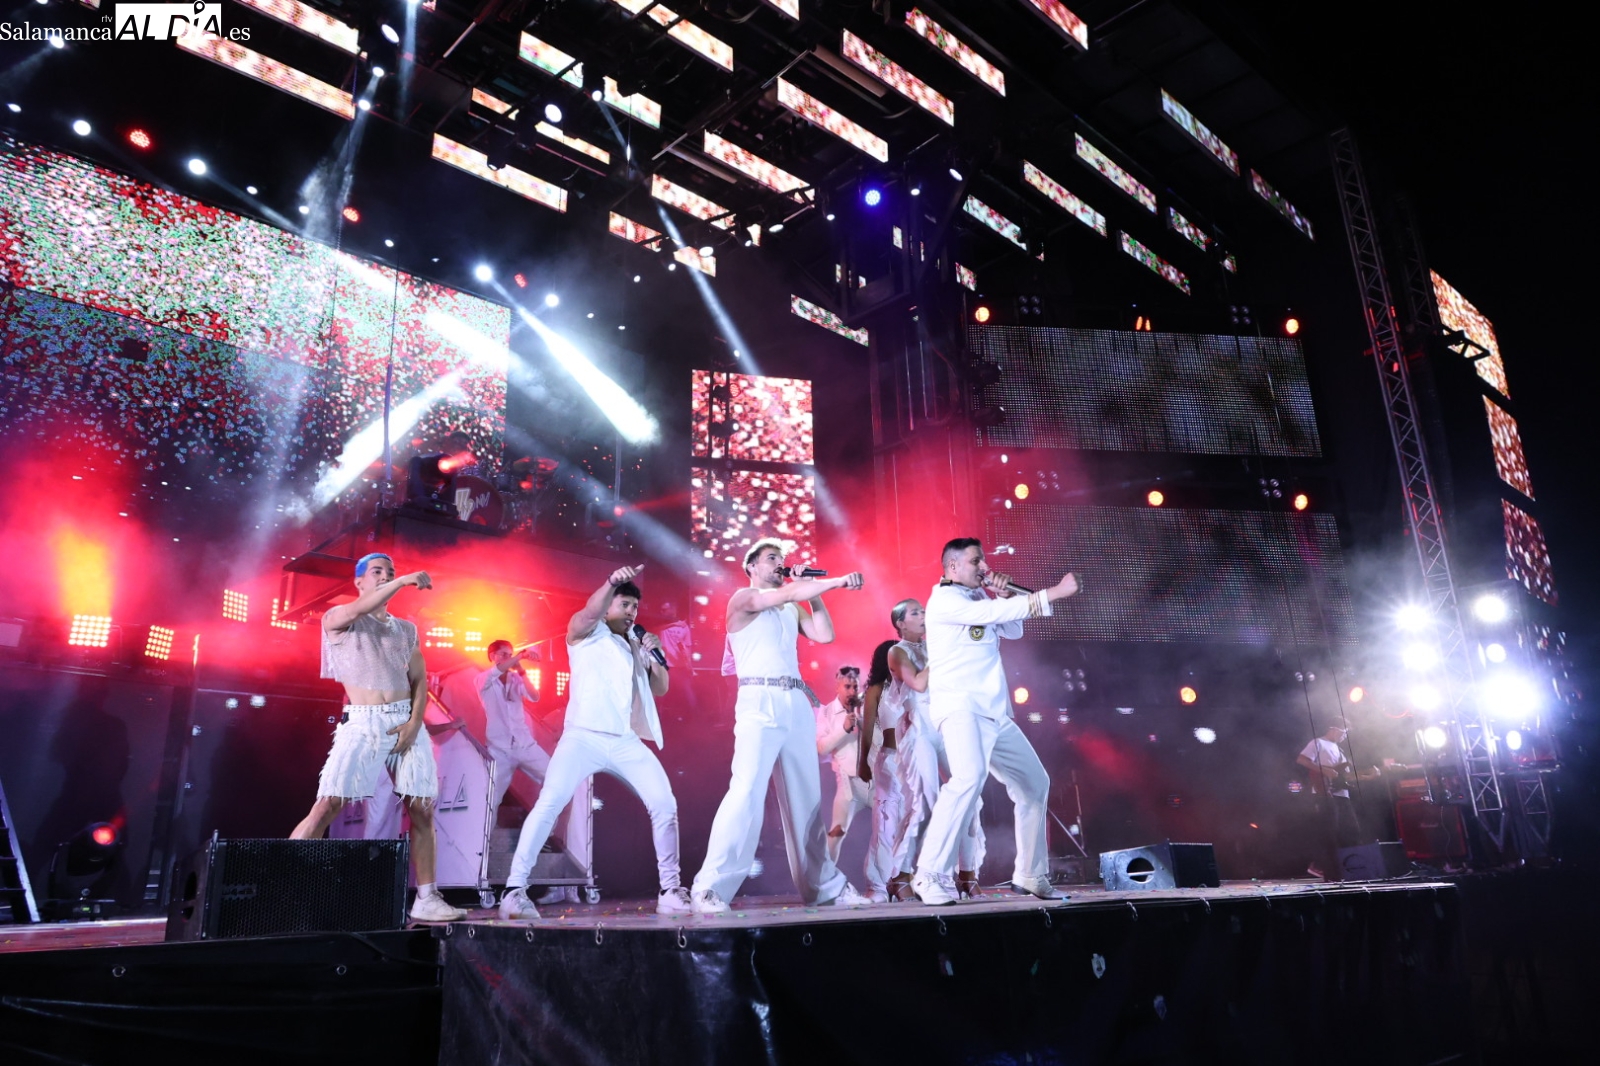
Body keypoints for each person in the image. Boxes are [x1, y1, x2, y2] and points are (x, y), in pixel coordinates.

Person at [690, 539, 871, 913]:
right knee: (745, 793)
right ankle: (709, 888)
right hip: (758, 702)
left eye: (782, 560)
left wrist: (816, 594)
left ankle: (825, 887)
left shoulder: (790, 604)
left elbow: (824, 634)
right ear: (752, 567)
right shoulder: (742, 598)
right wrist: (835, 581)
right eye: (772, 559)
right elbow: (783, 593)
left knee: (807, 799)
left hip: (794, 703)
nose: (780, 564)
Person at [499, 565, 689, 919]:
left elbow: (659, 688)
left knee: (665, 804)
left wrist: (656, 654)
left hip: (625, 741)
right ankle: (514, 889)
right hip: (582, 737)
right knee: (550, 803)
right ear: (608, 605)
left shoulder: (634, 645)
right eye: (625, 604)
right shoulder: (587, 633)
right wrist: (610, 583)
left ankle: (670, 889)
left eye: (635, 607)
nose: (631, 613)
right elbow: (588, 613)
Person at [290, 553, 466, 923]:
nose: (386, 576)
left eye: (391, 572)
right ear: (359, 582)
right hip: (364, 723)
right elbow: (356, 611)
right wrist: (401, 583)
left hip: (405, 722)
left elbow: (419, 679)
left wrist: (415, 723)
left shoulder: (406, 629)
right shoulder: (339, 618)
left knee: (422, 809)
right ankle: (284, 884)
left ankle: (427, 898)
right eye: (377, 572)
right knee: (327, 805)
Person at [912, 539, 1080, 906]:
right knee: (967, 779)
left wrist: (1002, 598)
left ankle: (1031, 875)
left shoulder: (978, 600)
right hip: (960, 708)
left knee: (1034, 784)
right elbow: (994, 619)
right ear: (953, 567)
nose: (984, 566)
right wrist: (1056, 592)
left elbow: (1012, 629)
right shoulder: (944, 600)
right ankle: (928, 874)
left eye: (983, 559)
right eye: (976, 561)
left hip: (993, 712)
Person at [879, 600, 985, 901]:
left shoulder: (935, 647)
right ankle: (900, 876)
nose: (923, 616)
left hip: (947, 724)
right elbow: (918, 683)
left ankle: (966, 874)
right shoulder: (897, 651)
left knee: (970, 796)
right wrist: (943, 649)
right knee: (925, 801)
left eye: (924, 611)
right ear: (901, 623)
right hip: (918, 729)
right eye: (916, 613)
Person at [478, 640, 574, 904]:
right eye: (503, 654)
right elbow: (498, 671)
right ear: (492, 656)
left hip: (525, 745)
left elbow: (535, 696)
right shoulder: (484, 679)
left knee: (558, 783)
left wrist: (520, 669)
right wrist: (518, 656)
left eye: (510, 653)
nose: (508, 658)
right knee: (492, 801)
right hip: (499, 749)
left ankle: (547, 834)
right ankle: (484, 857)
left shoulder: (515, 678)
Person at [854, 641, 902, 903]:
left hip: (914, 763)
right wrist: (863, 762)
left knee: (908, 826)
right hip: (890, 762)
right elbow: (868, 731)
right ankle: (877, 885)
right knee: (884, 824)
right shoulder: (876, 689)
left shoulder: (914, 686)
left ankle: (899, 880)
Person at [1296, 724, 1376, 880]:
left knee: (1352, 830)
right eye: (1344, 732)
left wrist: (1368, 777)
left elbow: (1345, 777)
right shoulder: (1318, 743)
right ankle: (1320, 866)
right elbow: (1301, 759)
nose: (1344, 736)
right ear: (1334, 728)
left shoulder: (1340, 751)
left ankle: (1351, 869)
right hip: (1324, 792)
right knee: (1329, 832)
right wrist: (1323, 769)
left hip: (1342, 794)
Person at [815, 666, 872, 871]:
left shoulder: (867, 706)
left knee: (897, 828)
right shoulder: (827, 712)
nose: (851, 691)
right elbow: (821, 748)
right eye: (847, 686)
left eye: (854, 686)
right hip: (847, 784)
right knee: (837, 832)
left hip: (875, 782)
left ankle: (900, 881)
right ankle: (826, 881)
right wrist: (844, 729)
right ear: (837, 686)